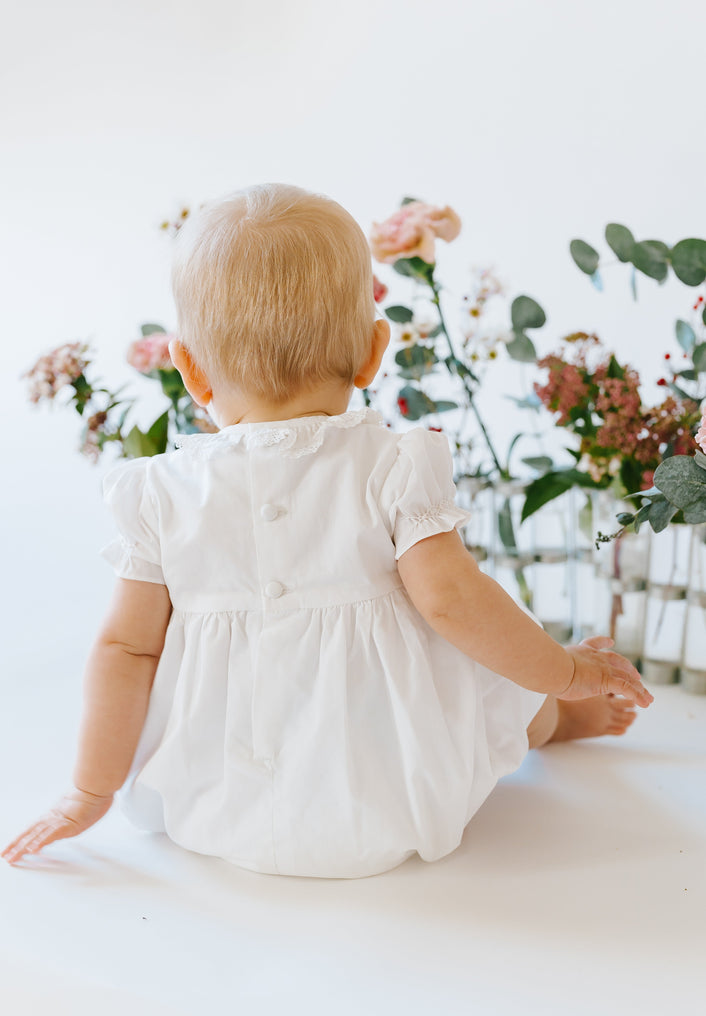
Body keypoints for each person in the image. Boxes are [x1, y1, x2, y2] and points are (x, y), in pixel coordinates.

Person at [2, 184, 653, 877]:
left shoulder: (160, 491)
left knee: (472, 657)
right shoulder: (395, 464)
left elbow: (126, 650)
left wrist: (88, 789)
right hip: (388, 790)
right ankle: (558, 718)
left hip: (216, 803)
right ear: (375, 351)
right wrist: (568, 669)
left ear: (188, 368)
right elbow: (453, 604)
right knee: (480, 671)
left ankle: (554, 712)